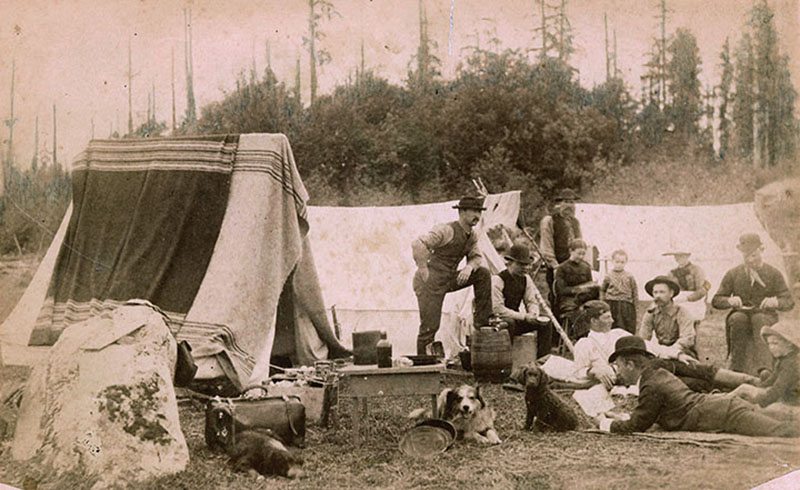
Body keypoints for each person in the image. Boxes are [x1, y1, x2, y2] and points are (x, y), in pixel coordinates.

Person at [595, 336, 797, 437]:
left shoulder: (650, 385)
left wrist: (604, 424)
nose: (618, 372)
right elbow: (646, 414)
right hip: (723, 407)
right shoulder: (656, 374)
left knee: (781, 431)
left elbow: (637, 425)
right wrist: (623, 417)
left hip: (724, 413)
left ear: (630, 364)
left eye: (618, 366)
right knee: (780, 423)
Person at [574, 300, 756, 393]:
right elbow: (576, 374)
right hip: (635, 377)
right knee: (695, 383)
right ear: (593, 321)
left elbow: (650, 346)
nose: (612, 320)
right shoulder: (584, 344)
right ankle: (749, 390)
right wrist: (593, 371)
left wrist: (678, 355)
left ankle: (752, 381)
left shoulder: (618, 333)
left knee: (693, 367)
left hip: (654, 365)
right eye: (607, 318)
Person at [412, 196, 492, 355]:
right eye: (474, 211)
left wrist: (469, 267)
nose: (477, 215)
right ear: (462, 212)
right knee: (430, 327)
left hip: (449, 279)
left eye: (479, 211)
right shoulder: (446, 230)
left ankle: (482, 324)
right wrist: (423, 269)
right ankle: (422, 366)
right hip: (429, 282)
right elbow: (418, 244)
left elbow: (476, 257)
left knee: (482, 273)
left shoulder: (472, 235)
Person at [712, 233, 795, 375]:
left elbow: (788, 301)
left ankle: (765, 369)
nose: (750, 259)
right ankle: (736, 369)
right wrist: (729, 301)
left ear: (762, 250)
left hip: (765, 314)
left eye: (754, 255)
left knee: (759, 319)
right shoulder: (734, 273)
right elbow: (716, 300)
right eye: (746, 255)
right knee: (738, 319)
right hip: (740, 313)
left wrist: (775, 302)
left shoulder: (773, 273)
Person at [729, 320, 799, 421]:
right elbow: (771, 380)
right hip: (784, 399)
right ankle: (723, 400)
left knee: (749, 407)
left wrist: (758, 401)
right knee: (745, 389)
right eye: (769, 344)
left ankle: (725, 403)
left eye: (775, 343)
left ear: (790, 344)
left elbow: (777, 390)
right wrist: (756, 388)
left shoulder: (791, 364)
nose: (771, 347)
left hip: (792, 405)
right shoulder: (783, 360)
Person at [491, 243, 552, 359]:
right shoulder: (497, 280)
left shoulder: (526, 279)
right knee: (509, 323)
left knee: (546, 323)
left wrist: (533, 314)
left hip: (516, 319)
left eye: (527, 265)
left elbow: (531, 301)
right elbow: (497, 309)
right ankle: (504, 362)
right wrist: (524, 317)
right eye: (520, 264)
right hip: (497, 321)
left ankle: (542, 361)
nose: (525, 268)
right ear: (509, 262)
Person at [540, 188, 582, 307]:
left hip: (574, 267)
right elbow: (546, 247)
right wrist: (555, 267)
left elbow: (580, 244)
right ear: (559, 204)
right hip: (557, 267)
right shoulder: (549, 221)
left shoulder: (576, 222)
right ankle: (557, 325)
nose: (569, 205)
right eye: (566, 201)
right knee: (558, 299)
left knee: (575, 300)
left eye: (572, 202)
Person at [639, 275, 697, 361]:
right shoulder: (651, 313)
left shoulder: (682, 312)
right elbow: (643, 338)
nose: (658, 296)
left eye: (662, 292)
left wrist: (671, 352)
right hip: (662, 351)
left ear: (671, 293)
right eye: (655, 292)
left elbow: (687, 339)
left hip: (681, 351)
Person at [554, 239, 598, 338]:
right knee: (581, 313)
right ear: (571, 251)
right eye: (579, 253)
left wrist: (592, 288)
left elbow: (590, 284)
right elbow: (561, 290)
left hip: (584, 298)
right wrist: (577, 290)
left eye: (583, 254)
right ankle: (581, 339)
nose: (581, 257)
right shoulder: (562, 268)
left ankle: (595, 338)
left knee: (599, 309)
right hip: (568, 301)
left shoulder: (586, 267)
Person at [664, 250, 709, 322]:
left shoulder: (697, 270)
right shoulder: (671, 273)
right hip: (678, 301)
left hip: (694, 302)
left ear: (687, 256)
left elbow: (702, 290)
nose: (678, 258)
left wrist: (687, 298)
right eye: (676, 256)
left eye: (681, 256)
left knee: (692, 325)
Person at [601, 249, 638, 334]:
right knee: (612, 326)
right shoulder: (608, 276)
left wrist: (635, 308)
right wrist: (603, 303)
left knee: (626, 327)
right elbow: (603, 290)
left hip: (626, 305)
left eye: (622, 262)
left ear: (626, 262)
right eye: (617, 262)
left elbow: (634, 292)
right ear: (612, 261)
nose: (619, 264)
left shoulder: (629, 276)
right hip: (612, 304)